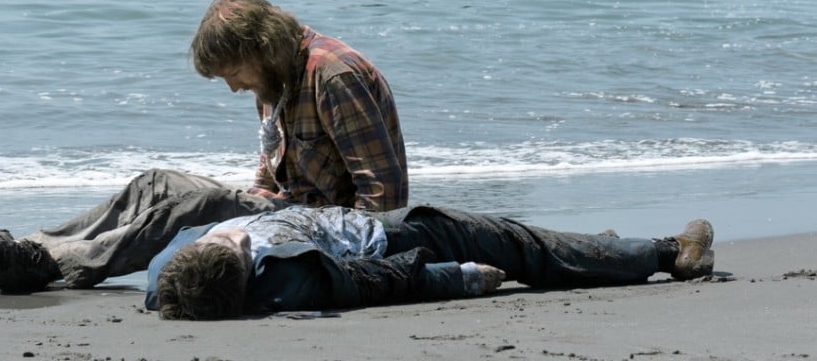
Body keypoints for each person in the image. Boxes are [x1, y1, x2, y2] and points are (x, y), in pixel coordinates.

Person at [0, 0, 408, 293]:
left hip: (331, 231)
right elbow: (270, 170)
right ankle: (29, 247)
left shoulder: (332, 76)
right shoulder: (276, 76)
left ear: (258, 48)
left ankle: (51, 266)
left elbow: (385, 202)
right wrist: (250, 201)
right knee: (157, 184)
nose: (232, 87)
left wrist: (309, 246)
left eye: (232, 74)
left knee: (194, 208)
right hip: (293, 207)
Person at [146, 205, 716, 320]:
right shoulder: (289, 283)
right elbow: (376, 284)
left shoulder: (166, 276)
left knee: (532, 245)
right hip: (389, 238)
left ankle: (595, 253)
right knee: (514, 244)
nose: (235, 240)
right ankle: (670, 253)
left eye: (221, 243)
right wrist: (459, 279)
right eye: (235, 252)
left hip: (357, 219)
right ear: (244, 274)